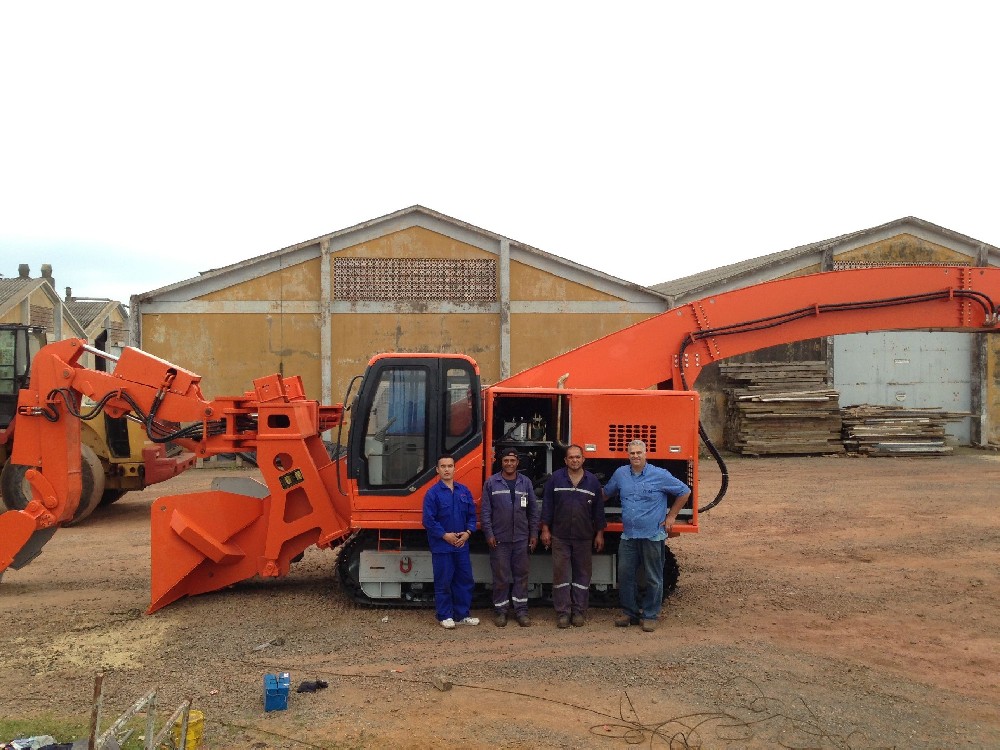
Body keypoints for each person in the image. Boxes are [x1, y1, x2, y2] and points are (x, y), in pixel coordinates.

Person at [603, 439, 691, 633]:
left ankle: (650, 615)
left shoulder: (659, 475)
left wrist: (672, 515)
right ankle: (629, 613)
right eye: (632, 453)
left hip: (652, 535)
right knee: (625, 576)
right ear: (628, 455)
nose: (635, 456)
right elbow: (606, 493)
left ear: (645, 454)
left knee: (653, 577)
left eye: (639, 453)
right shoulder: (621, 474)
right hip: (629, 536)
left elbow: (685, 491)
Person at [540, 444, 606, 628]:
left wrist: (599, 534)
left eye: (578, 457)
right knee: (560, 575)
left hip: (584, 537)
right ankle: (563, 613)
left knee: (582, 576)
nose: (575, 460)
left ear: (583, 459)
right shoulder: (555, 479)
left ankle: (578, 612)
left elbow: (599, 511)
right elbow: (547, 506)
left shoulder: (592, 481)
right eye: (571, 457)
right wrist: (545, 529)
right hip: (560, 536)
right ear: (565, 460)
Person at [481, 447, 540, 627]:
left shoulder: (526, 483)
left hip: (521, 539)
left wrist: (534, 534)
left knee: (521, 576)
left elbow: (533, 511)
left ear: (517, 463)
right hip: (499, 540)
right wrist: (489, 534)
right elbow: (485, 512)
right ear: (501, 462)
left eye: (512, 461)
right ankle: (501, 611)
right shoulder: (491, 483)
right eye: (506, 460)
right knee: (501, 577)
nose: (509, 463)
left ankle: (521, 612)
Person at [422, 454, 480, 629]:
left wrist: (468, 533)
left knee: (464, 579)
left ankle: (462, 614)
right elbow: (428, 520)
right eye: (443, 466)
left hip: (461, 544)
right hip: (442, 545)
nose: (447, 469)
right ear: (437, 470)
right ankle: (445, 615)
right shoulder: (432, 494)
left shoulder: (464, 491)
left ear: (455, 468)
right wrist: (444, 535)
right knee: (444, 580)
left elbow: (472, 514)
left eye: (450, 466)